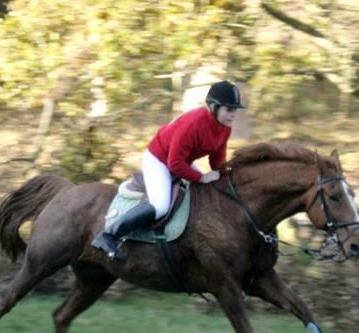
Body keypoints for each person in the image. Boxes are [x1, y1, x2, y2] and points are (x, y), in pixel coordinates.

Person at [91, 80, 245, 260]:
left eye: (235, 110)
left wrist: (225, 174)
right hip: (159, 160)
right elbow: (175, 164)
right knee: (160, 206)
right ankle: (109, 235)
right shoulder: (193, 124)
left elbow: (217, 157)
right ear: (213, 106)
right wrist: (201, 178)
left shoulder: (224, 127)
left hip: (180, 160)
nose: (233, 114)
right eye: (229, 109)